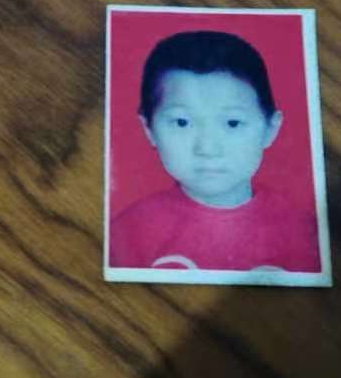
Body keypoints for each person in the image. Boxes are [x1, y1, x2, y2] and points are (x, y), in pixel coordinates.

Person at [109, 31, 320, 272]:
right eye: (182, 122)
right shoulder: (127, 233)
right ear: (149, 129)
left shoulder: (304, 233)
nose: (207, 149)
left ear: (270, 129)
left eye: (233, 123)